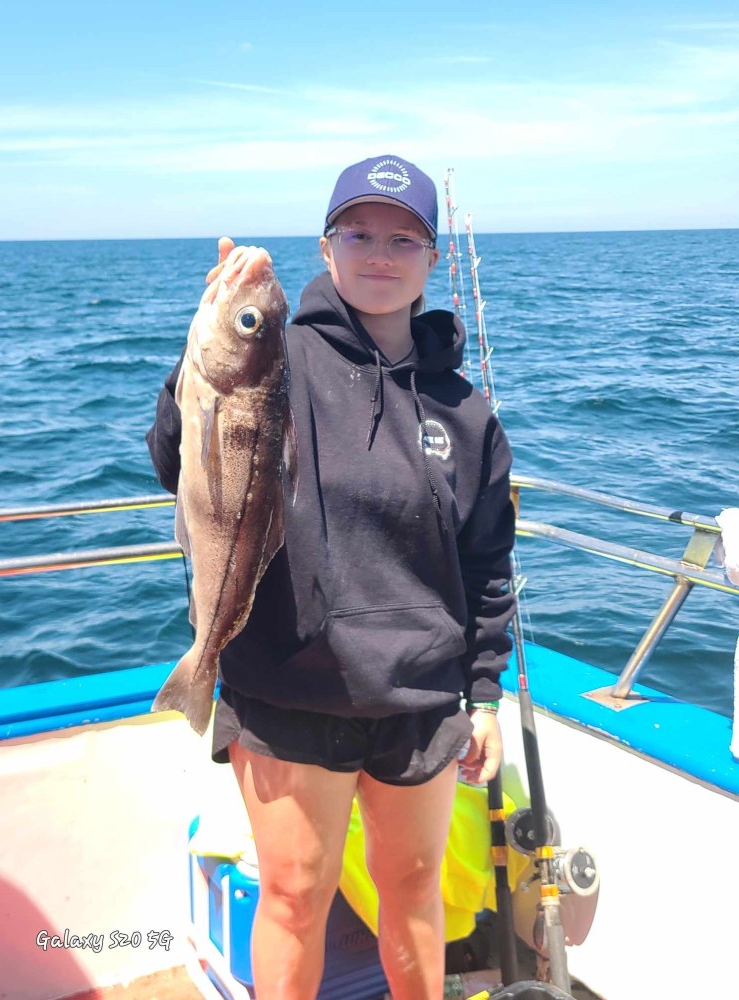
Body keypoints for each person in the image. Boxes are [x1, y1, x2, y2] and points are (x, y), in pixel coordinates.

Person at [146, 154, 516, 1000]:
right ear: (326, 246)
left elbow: (487, 561)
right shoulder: (279, 357)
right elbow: (177, 459)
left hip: (419, 698)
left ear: (433, 259)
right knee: (293, 896)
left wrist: (485, 695)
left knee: (414, 895)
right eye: (359, 234)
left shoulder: (465, 410)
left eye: (403, 238)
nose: (379, 254)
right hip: (287, 683)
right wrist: (196, 353)